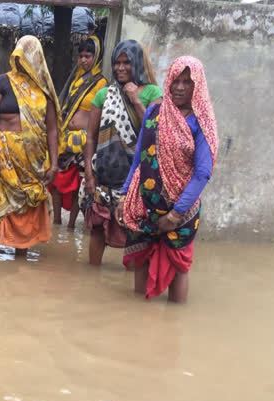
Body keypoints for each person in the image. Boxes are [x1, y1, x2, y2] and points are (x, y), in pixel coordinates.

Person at [119, 56, 218, 303]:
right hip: (143, 206)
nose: (180, 87)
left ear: (198, 86)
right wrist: (123, 196)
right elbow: (139, 158)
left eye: (188, 81)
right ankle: (138, 316)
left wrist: (175, 215)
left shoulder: (201, 122)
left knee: (179, 266)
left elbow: (202, 173)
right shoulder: (154, 113)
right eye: (176, 80)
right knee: (140, 259)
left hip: (180, 212)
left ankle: (174, 322)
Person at [0, 35, 60, 256]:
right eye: (20, 55)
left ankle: (20, 262)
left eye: (29, 56)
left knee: (26, 213)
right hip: (4, 161)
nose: (24, 60)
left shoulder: (45, 90)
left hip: (32, 164)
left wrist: (54, 164)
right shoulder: (2, 82)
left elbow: (52, 129)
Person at [83, 40, 162, 265]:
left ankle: (131, 284)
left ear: (136, 63)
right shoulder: (104, 94)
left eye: (126, 63)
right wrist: (89, 174)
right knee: (98, 228)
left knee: (134, 232)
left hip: (136, 179)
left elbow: (156, 133)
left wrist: (136, 100)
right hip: (104, 177)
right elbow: (90, 137)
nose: (120, 68)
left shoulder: (152, 93)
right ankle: (92, 276)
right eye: (117, 63)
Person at [49, 35, 107, 227]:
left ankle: (72, 225)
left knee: (77, 184)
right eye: (81, 56)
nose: (83, 60)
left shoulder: (101, 84)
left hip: (84, 141)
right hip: (66, 139)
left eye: (88, 56)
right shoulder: (74, 81)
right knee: (57, 179)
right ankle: (56, 222)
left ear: (96, 57)